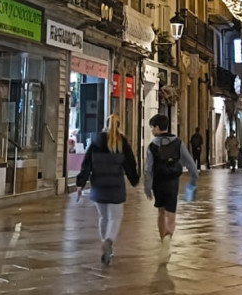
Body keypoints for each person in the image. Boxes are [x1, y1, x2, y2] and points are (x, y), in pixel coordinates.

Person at [75, 113, 139, 266]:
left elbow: (86, 163)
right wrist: (134, 180)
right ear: (119, 126)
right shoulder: (122, 142)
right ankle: (109, 241)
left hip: (98, 185)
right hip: (116, 185)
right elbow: (130, 163)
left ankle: (105, 242)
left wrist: (81, 183)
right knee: (115, 217)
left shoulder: (96, 141)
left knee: (103, 217)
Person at [144, 113, 197, 264]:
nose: (152, 130)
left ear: (157, 127)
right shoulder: (178, 143)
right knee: (171, 214)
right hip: (173, 182)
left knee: (161, 212)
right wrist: (194, 177)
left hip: (158, 184)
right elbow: (189, 162)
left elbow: (148, 169)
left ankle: (163, 241)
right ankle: (169, 238)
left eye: (152, 127)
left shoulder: (153, 145)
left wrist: (147, 187)